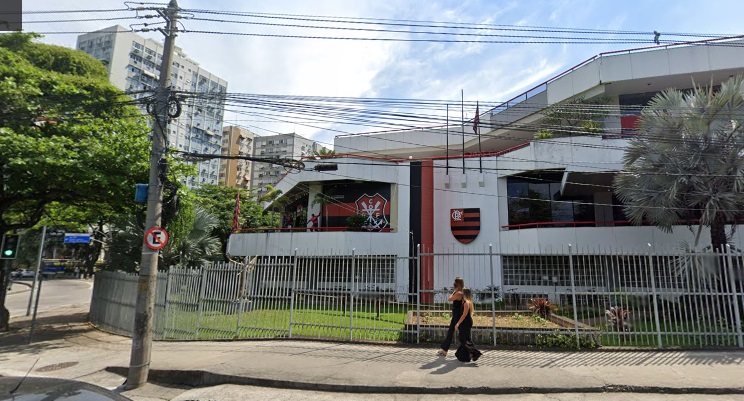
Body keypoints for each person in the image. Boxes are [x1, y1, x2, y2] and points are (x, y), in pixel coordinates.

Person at [437, 277, 464, 356]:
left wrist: (454, 291)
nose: (454, 285)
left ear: (458, 284)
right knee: (450, 332)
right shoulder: (461, 292)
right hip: (456, 315)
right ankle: (445, 349)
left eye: (455, 283)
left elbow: (449, 299)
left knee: (462, 334)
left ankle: (470, 350)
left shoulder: (458, 293)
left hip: (457, 316)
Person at [454, 287, 482, 362]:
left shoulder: (466, 302)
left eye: (462, 292)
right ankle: (464, 355)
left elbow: (464, 315)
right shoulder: (465, 302)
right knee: (466, 338)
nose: (461, 294)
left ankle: (475, 353)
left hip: (465, 322)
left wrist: (457, 324)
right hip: (466, 322)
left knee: (463, 339)